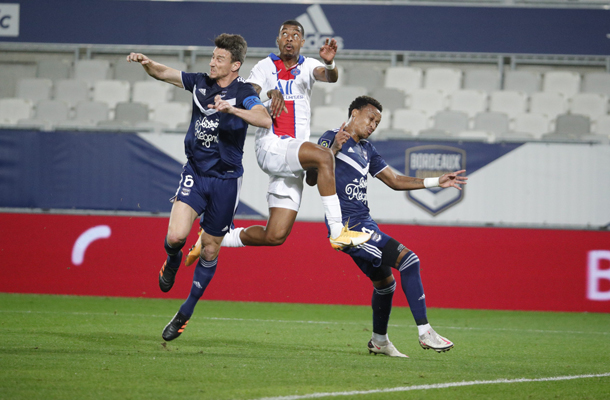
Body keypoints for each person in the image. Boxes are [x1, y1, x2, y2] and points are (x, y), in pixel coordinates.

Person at [185, 20, 370, 266]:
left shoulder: (309, 66)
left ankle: (214, 236)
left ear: (303, 42)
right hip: (272, 145)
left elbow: (329, 76)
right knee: (325, 156)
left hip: (293, 156)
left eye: (296, 35)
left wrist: (329, 62)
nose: (290, 38)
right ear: (278, 40)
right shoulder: (265, 66)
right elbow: (247, 90)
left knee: (275, 235)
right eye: (285, 34)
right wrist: (268, 92)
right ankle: (337, 231)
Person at [126, 34, 272, 341]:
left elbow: (264, 119)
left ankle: (185, 312)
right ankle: (173, 258)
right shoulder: (200, 82)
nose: (212, 62)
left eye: (219, 59)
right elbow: (164, 73)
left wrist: (233, 111)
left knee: (209, 247)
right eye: (213, 57)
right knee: (176, 236)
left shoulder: (244, 92)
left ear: (235, 65)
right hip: (195, 172)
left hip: (226, 180)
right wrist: (147, 63)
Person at [307, 95, 468, 357]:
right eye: (370, 119)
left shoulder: (367, 149)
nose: (373, 125)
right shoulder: (330, 137)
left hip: (367, 224)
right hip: (347, 228)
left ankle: (379, 341)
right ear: (355, 113)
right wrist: (332, 149)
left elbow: (394, 180)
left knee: (385, 284)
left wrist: (437, 181)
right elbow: (311, 179)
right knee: (410, 260)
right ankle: (425, 331)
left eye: (377, 123)